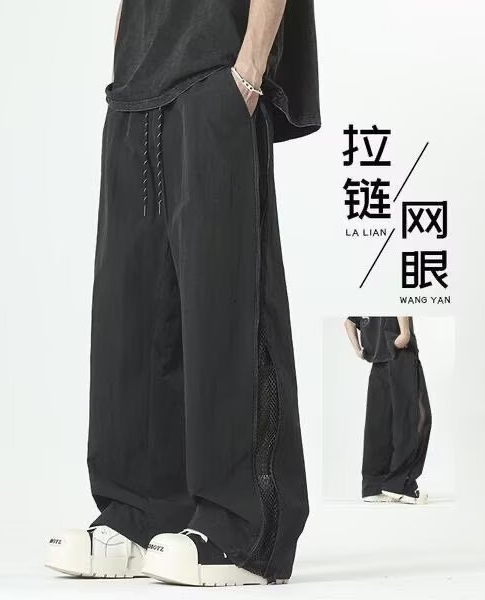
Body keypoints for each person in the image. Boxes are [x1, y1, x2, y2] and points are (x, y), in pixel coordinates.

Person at [45, 0, 320, 586]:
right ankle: (138, 513)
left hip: (216, 75)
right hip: (136, 88)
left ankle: (243, 529)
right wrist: (125, 61)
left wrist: (248, 74)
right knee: (130, 315)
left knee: (226, 306)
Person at [344, 317, 432, 505]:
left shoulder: (364, 297)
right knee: (415, 417)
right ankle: (400, 485)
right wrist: (405, 332)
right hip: (400, 354)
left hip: (378, 361)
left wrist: (358, 350)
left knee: (380, 424)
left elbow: (349, 322)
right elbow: (397, 302)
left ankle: (373, 486)